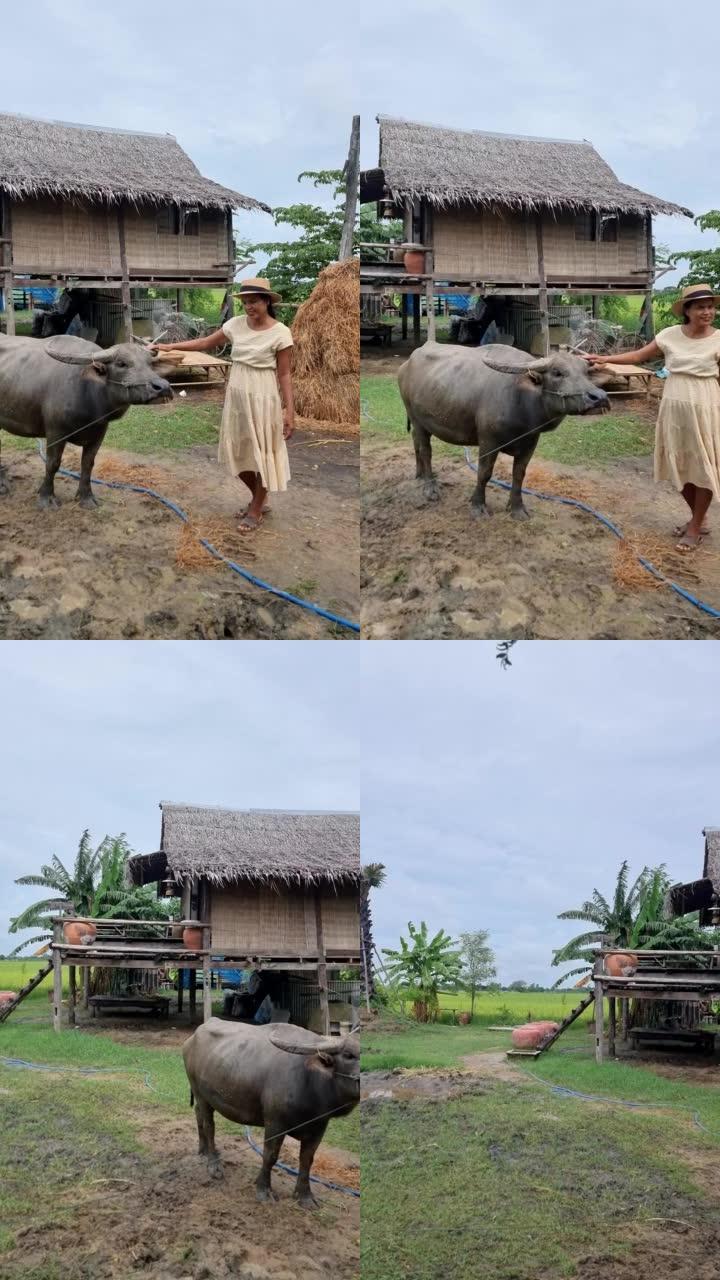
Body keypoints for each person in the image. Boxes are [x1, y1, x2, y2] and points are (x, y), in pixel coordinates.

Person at [586, 283, 720, 552]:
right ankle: (698, 518)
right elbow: (639, 356)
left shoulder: (718, 338)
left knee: (703, 466)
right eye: (700, 307)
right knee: (677, 463)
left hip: (706, 405)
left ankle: (695, 528)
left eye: (711, 307)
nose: (707, 312)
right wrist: (604, 358)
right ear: (687, 311)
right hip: (673, 406)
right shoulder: (670, 335)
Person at [154, 278, 295, 532]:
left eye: (254, 301)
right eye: (245, 302)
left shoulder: (281, 332)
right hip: (237, 395)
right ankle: (259, 498)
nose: (249, 307)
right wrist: (170, 345)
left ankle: (255, 510)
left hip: (264, 396)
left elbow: (285, 374)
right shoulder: (235, 325)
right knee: (237, 452)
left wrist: (289, 411)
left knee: (262, 452)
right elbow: (205, 343)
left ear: (266, 301)